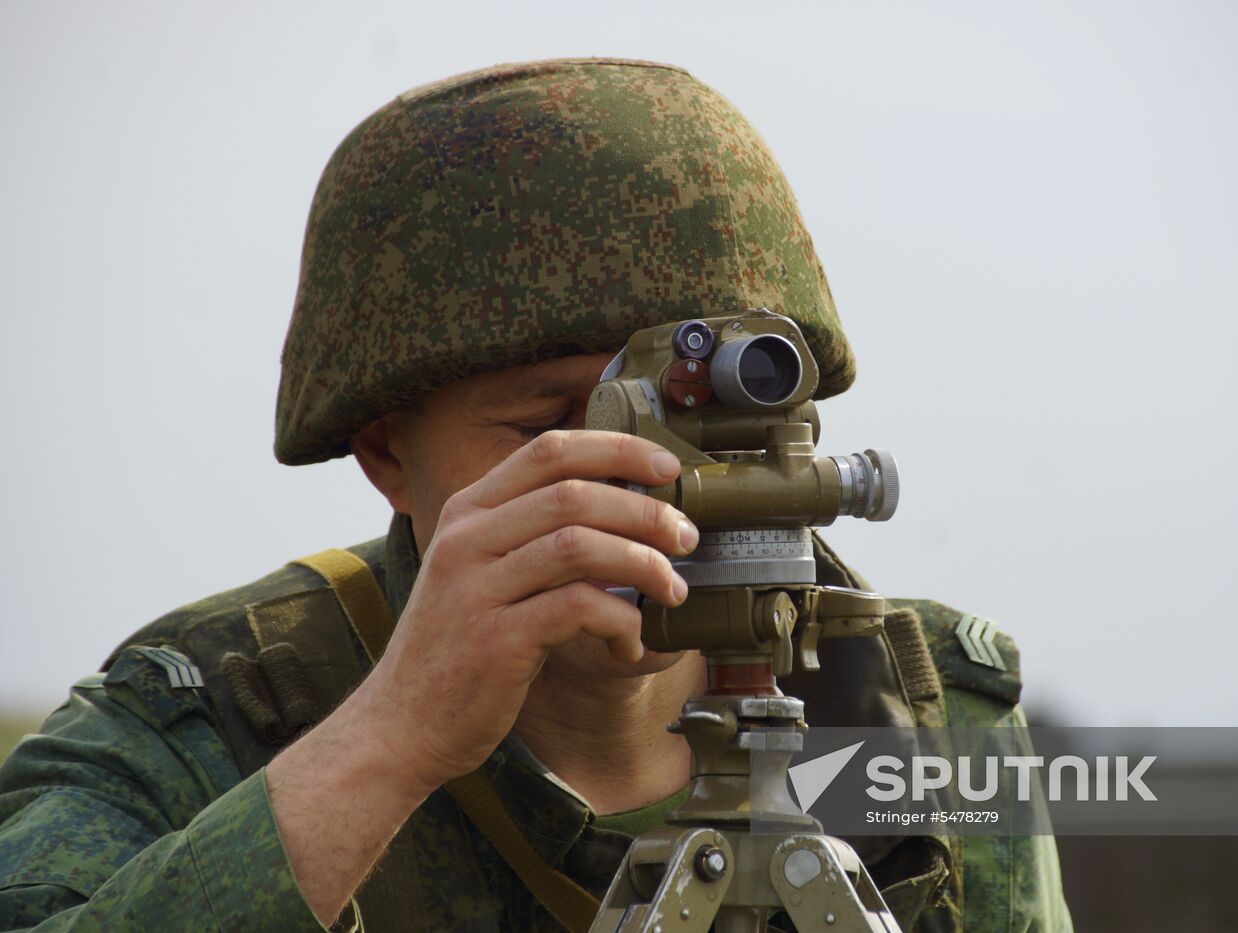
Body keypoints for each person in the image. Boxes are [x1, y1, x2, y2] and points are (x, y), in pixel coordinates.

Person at [0, 58, 1072, 931]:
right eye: (552, 422)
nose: (646, 474)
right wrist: (390, 741)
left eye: (694, 412)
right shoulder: (205, 723)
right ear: (386, 455)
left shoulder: (918, 717)